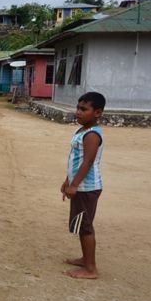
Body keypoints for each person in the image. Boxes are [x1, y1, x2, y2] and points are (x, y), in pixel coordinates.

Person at [61, 92, 106, 279]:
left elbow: (87, 162)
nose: (78, 112)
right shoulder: (81, 131)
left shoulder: (92, 135)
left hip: (87, 188)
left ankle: (90, 268)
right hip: (80, 186)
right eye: (78, 108)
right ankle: (85, 259)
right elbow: (75, 160)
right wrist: (67, 180)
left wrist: (75, 185)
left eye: (84, 109)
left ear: (97, 112)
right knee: (81, 224)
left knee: (85, 226)